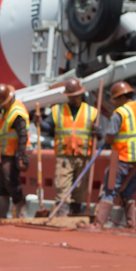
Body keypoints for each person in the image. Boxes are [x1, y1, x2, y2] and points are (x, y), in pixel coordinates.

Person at [93, 80, 136, 230]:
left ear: (120, 98)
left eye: (114, 99)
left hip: (120, 159)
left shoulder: (120, 113)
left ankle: (98, 224)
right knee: (128, 193)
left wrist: (100, 134)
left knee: (109, 190)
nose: (112, 102)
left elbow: (109, 137)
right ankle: (131, 225)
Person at [36, 78, 101, 217]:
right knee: (62, 186)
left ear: (81, 94)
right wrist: (39, 122)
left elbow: (98, 135)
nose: (73, 99)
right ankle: (62, 214)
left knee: (80, 189)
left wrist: (98, 132)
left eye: (75, 96)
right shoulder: (58, 110)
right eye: (70, 96)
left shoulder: (91, 112)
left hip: (83, 156)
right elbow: (48, 127)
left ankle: (75, 214)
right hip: (64, 156)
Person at [0, 83, 28, 220]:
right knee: (2, 185)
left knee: (11, 182)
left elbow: (23, 135)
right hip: (5, 154)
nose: (0, 105)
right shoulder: (7, 109)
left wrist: (21, 155)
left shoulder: (17, 113)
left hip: (12, 155)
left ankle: (21, 212)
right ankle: (1, 216)